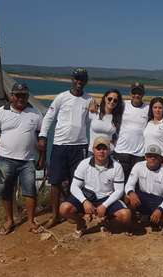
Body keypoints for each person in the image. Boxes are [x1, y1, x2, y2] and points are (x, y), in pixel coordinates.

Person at [38, 68, 93, 228]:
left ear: (85, 81)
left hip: (80, 146)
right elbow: (49, 117)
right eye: (77, 78)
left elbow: (93, 121)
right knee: (55, 182)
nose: (79, 81)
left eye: (82, 79)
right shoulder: (61, 97)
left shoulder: (89, 100)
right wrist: (42, 136)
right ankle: (55, 216)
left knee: (75, 181)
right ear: (72, 79)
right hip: (60, 145)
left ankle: (70, 212)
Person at [0, 83, 45, 234]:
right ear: (12, 96)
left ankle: (31, 221)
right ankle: (9, 220)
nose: (21, 98)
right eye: (18, 95)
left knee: (30, 191)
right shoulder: (1, 112)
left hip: (28, 160)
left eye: (24, 95)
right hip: (5, 159)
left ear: (27, 96)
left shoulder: (35, 113)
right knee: (5, 190)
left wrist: (42, 157)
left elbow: (41, 138)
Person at [59, 136, 131, 237]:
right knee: (64, 208)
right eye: (98, 148)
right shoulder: (84, 164)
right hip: (88, 196)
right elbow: (74, 186)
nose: (101, 152)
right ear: (93, 150)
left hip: (106, 198)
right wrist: (84, 201)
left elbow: (119, 191)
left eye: (104, 149)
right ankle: (81, 223)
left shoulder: (117, 166)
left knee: (126, 215)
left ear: (109, 150)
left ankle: (106, 222)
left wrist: (105, 205)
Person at [125, 144, 163, 229]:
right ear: (145, 157)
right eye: (150, 156)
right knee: (128, 197)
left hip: (158, 200)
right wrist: (131, 193)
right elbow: (129, 184)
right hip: (143, 198)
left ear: (160, 158)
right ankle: (133, 222)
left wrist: (160, 209)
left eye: (155, 156)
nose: (152, 158)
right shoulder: (138, 166)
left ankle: (152, 220)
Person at [88, 89, 123, 155]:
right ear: (105, 98)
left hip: (108, 153)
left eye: (115, 100)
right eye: (110, 99)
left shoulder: (117, 117)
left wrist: (114, 144)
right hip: (92, 151)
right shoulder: (94, 111)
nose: (112, 101)